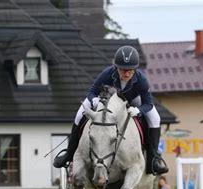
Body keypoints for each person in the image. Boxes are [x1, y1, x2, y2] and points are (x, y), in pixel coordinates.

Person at [52, 45, 168, 175]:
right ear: (116, 67)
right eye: (123, 70)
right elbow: (92, 91)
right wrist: (94, 100)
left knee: (155, 118)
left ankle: (153, 160)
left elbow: (148, 103)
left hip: (133, 99)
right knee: (79, 114)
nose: (127, 73)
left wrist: (138, 110)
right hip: (108, 100)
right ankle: (69, 154)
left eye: (130, 70)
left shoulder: (141, 80)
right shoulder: (107, 74)